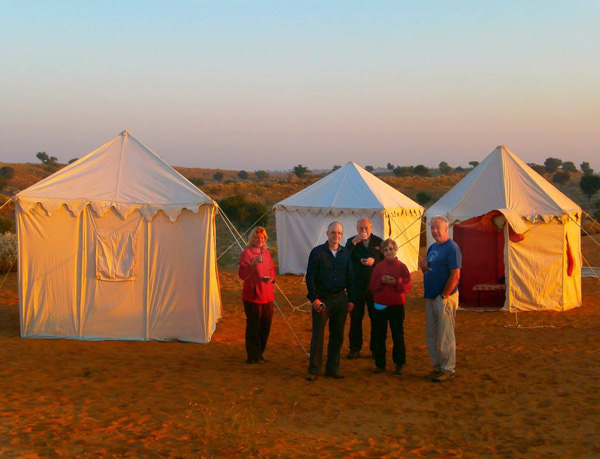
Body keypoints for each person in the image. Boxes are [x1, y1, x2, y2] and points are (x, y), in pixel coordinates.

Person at [305, 221, 355, 381]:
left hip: (340, 298)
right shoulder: (317, 253)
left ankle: (332, 369)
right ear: (327, 234)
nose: (336, 235)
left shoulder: (345, 254)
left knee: (337, 335)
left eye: (339, 233)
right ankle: (314, 369)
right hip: (322, 298)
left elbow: (350, 277)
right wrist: (314, 298)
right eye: (333, 232)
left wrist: (351, 299)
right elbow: (310, 277)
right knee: (318, 335)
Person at [419, 216, 462, 383]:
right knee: (431, 335)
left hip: (444, 297)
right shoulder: (432, 248)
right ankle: (437, 367)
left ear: (446, 229)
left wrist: (445, 295)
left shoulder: (452, 248)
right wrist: (425, 268)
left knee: (445, 334)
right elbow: (431, 270)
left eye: (438, 228)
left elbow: (455, 274)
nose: (435, 231)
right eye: (432, 228)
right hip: (430, 295)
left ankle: (448, 368)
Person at [368, 238, 412, 375]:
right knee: (380, 335)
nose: (388, 252)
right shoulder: (378, 267)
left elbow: (407, 287)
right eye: (385, 250)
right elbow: (372, 286)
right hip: (380, 305)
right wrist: (381, 282)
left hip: (396, 306)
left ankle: (399, 363)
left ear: (395, 250)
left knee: (397, 334)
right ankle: (380, 364)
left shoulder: (402, 267)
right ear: (382, 252)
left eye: (391, 249)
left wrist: (396, 283)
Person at [345, 218, 383, 359]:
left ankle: (375, 348)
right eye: (361, 228)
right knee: (355, 319)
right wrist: (355, 241)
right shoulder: (351, 242)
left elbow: (386, 259)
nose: (363, 231)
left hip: (375, 287)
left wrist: (374, 261)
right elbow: (344, 257)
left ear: (371, 227)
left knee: (376, 318)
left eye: (366, 228)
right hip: (356, 287)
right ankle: (354, 348)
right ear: (356, 228)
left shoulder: (379, 242)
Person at [238, 226, 276, 364]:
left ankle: (260, 353)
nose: (259, 239)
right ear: (252, 239)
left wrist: (271, 279)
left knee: (266, 325)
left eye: (262, 237)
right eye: (257, 237)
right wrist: (252, 265)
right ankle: (253, 355)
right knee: (254, 325)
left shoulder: (266, 253)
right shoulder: (246, 254)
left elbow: (271, 270)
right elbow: (242, 274)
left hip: (267, 295)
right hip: (252, 296)